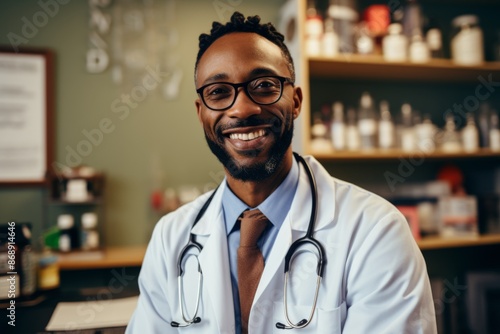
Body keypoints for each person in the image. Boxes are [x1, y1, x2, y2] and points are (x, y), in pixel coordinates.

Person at [126, 12, 437, 334]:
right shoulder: (170, 238)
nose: (243, 109)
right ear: (200, 111)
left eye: (263, 86)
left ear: (296, 101)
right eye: (218, 91)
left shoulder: (375, 231)